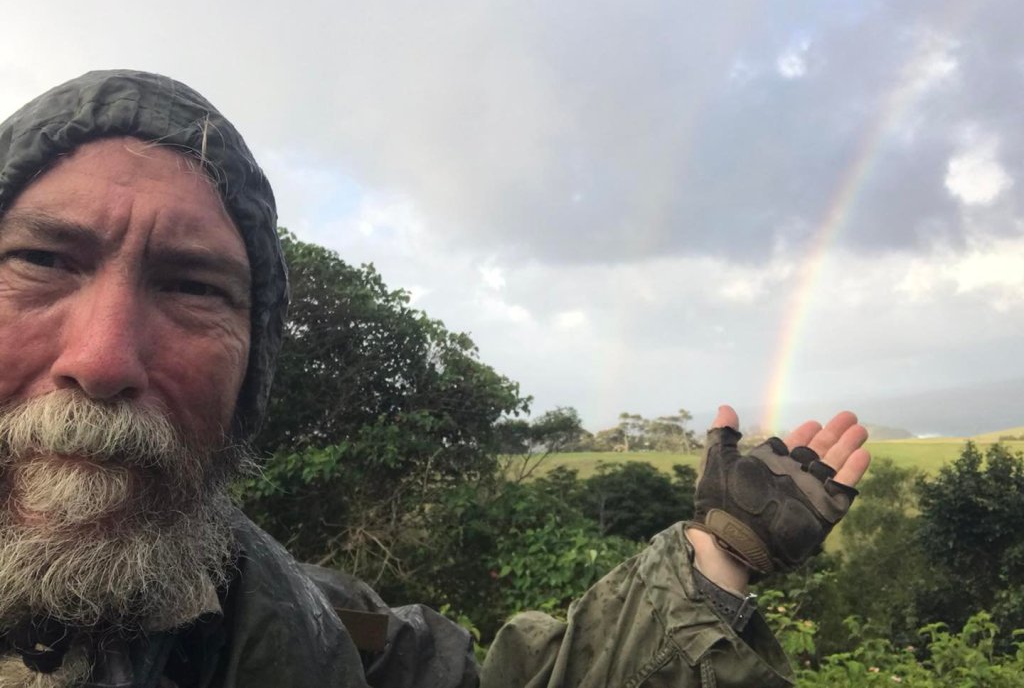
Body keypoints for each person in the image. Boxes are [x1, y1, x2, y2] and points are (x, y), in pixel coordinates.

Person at [0, 69, 869, 688]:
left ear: (251, 366)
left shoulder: (311, 631)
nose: (103, 359)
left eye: (192, 287)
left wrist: (720, 554)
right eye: (42, 260)